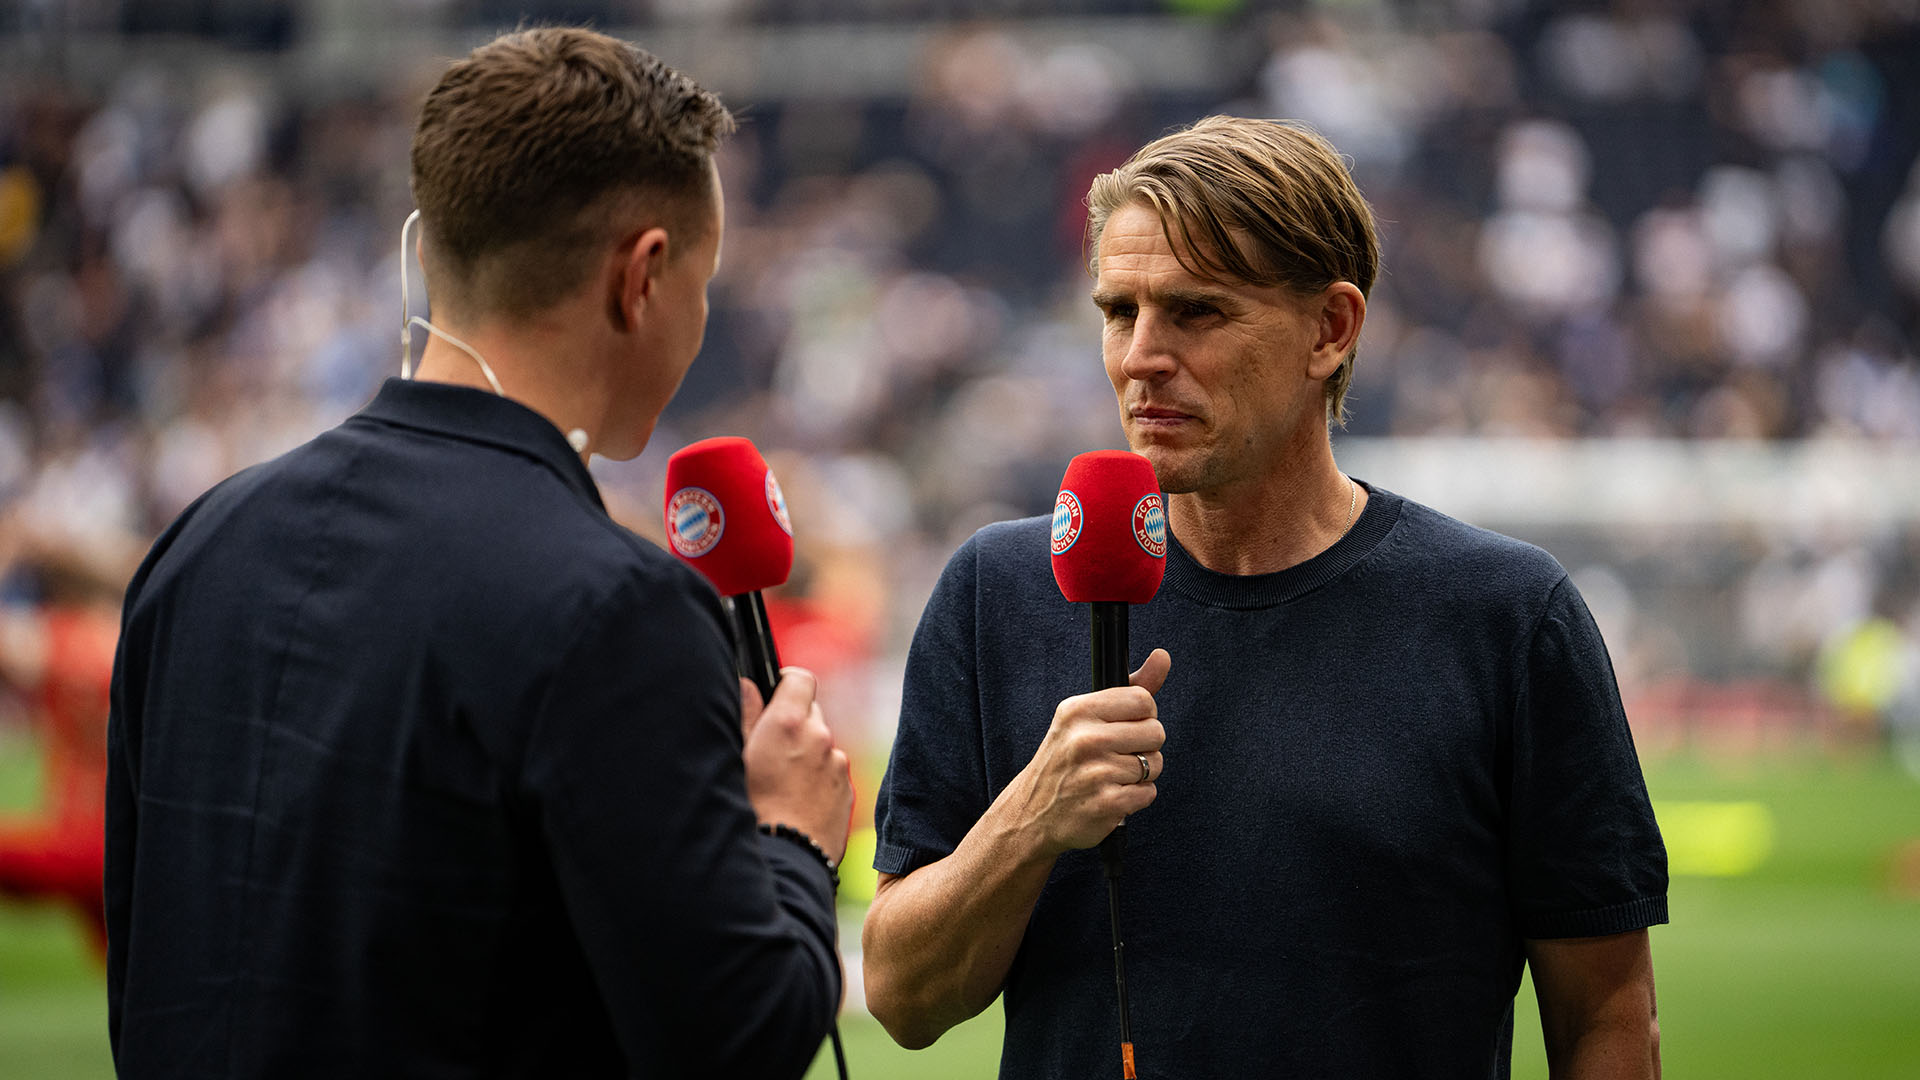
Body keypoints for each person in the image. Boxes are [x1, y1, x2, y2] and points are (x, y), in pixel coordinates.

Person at [106, 28, 851, 1078]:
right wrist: (792, 839)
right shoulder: (616, 607)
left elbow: (144, 978)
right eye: (705, 280)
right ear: (642, 277)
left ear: (430, 244)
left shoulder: (197, 548)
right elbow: (737, 1040)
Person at [862, 116, 1667, 1078]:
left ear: (1331, 329)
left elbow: (1607, 1017)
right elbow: (903, 999)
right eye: (1120, 312)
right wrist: (1030, 821)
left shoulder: (1505, 615)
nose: (1140, 358)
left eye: (1196, 312)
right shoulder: (998, 592)